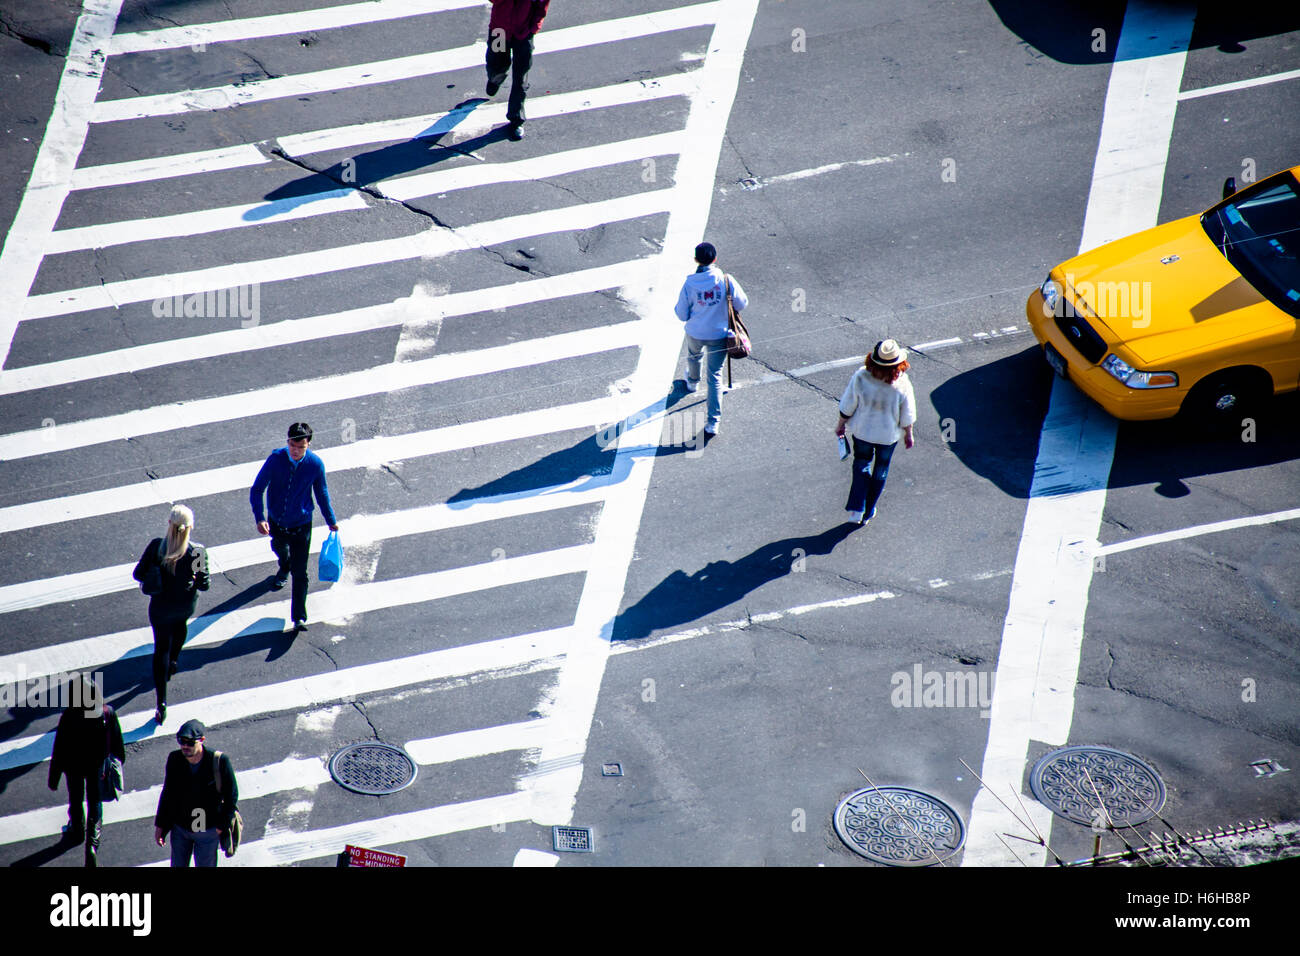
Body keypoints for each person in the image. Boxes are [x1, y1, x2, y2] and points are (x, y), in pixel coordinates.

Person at [250, 422, 339, 633]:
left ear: (308, 445)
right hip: (276, 523)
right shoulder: (275, 460)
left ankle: (299, 616)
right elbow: (257, 489)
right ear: (287, 441)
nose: (296, 451)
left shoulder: (315, 465)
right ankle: (284, 565)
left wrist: (330, 520)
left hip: (301, 525)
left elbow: (322, 494)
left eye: (301, 447)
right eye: (292, 445)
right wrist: (259, 517)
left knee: (301, 573)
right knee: (279, 549)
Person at [133, 504, 209, 725]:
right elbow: (204, 585)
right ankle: (174, 661)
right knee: (180, 628)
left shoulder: (158, 547)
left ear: (169, 524)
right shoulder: (197, 551)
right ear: (190, 527)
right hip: (185, 606)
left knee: (160, 650)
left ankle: (161, 702)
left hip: (160, 608)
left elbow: (137, 573)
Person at [835, 339, 916, 525]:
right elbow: (908, 412)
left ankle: (857, 509)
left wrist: (840, 425)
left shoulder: (861, 376)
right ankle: (869, 510)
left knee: (861, 464)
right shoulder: (902, 382)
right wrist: (908, 434)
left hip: (863, 431)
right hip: (888, 436)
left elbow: (848, 405)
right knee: (881, 469)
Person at [674, 241, 748, 437]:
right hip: (719, 334)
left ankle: (692, 381)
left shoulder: (690, 283)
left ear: (696, 259)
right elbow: (742, 303)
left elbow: (681, 314)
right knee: (715, 375)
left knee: (694, 355)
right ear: (715, 259)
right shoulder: (726, 280)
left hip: (696, 331)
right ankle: (713, 422)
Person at [48, 678, 124, 867]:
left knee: (75, 798)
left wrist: (54, 776)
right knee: (95, 802)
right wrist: (118, 761)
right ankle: (92, 844)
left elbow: (59, 748)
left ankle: (77, 829)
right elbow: (117, 742)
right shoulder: (106, 713)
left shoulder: (69, 716)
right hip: (97, 766)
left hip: (73, 766)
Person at [154, 719, 238, 868]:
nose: (185, 746)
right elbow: (168, 793)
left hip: (207, 829)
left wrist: (221, 826)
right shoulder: (174, 759)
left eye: (190, 743)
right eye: (181, 741)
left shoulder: (219, 761)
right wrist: (161, 826)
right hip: (181, 827)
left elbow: (231, 796)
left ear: (202, 740)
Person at [485, 0, 551, 140]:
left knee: (521, 77)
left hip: (524, 32)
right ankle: (495, 78)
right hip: (500, 29)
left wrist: (534, 27)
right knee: (496, 62)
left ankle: (516, 119)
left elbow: (542, 4)